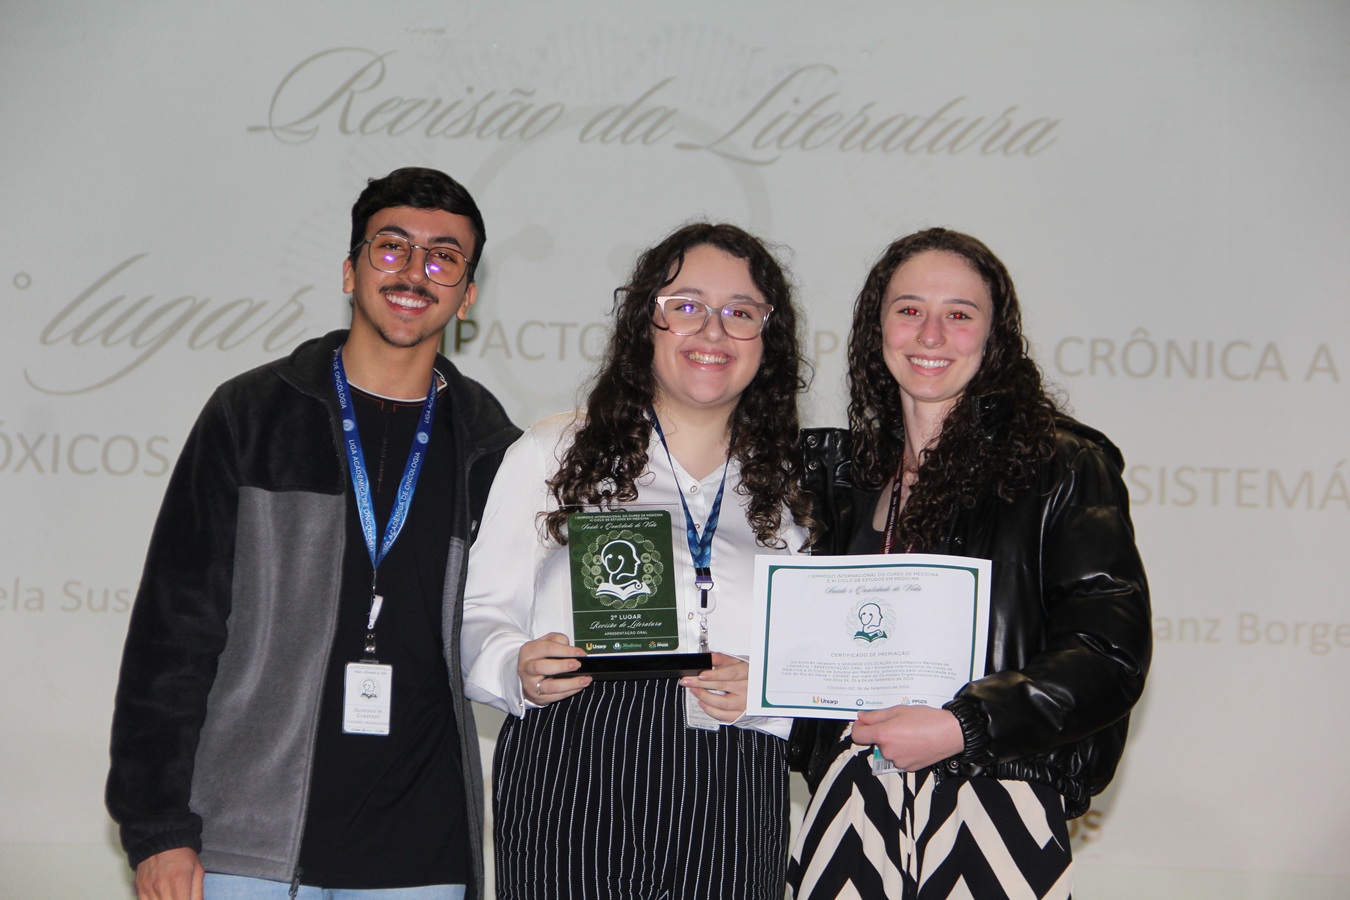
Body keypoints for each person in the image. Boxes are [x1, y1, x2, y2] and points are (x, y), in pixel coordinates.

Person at [105, 167, 521, 900]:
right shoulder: (251, 415)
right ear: (350, 270)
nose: (414, 272)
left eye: (443, 258)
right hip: (243, 841)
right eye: (391, 247)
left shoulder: (493, 449)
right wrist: (157, 826)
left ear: (467, 295)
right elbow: (173, 634)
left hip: (422, 856)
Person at [787, 228, 1151, 899]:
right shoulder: (841, 479)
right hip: (849, 805)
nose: (930, 335)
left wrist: (965, 726)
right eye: (909, 310)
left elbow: (1109, 654)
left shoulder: (1060, 464)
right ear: (876, 327)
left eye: (959, 314)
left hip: (992, 806)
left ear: (994, 337)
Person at [461, 223, 815, 900]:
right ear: (644, 323)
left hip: (735, 770)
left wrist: (772, 692)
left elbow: (819, 658)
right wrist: (514, 666)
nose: (712, 330)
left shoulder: (795, 487)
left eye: (741, 312)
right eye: (686, 306)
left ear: (768, 338)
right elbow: (479, 613)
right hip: (572, 758)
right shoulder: (553, 451)